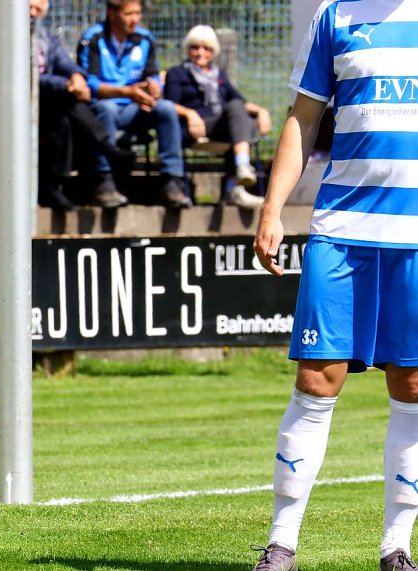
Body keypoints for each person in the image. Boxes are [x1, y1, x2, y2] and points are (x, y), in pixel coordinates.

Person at [251, 2, 418, 570]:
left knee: (415, 387)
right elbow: (302, 118)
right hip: (344, 229)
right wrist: (273, 210)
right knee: (316, 378)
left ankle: (397, 547)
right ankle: (282, 544)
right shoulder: (335, 14)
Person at [77, 0, 192, 210]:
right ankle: (105, 181)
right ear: (112, 14)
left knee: (165, 109)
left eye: (137, 13)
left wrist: (154, 87)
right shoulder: (92, 38)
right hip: (102, 107)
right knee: (108, 109)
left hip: (134, 107)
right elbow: (88, 83)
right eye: (129, 14)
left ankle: (172, 182)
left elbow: (152, 74)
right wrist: (127, 92)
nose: (135, 19)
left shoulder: (145, 38)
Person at [31, 0, 131, 210]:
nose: (33, 11)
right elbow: (28, 77)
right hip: (25, 104)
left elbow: (64, 63)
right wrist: (68, 85)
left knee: (65, 119)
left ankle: (51, 188)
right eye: (28, 6)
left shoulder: (46, 36)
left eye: (38, 6)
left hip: (51, 104)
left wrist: (76, 76)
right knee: (69, 102)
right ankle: (107, 148)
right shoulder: (11, 36)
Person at [163, 24, 271, 210]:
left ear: (213, 51)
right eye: (195, 47)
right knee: (239, 120)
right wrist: (190, 114)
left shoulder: (219, 75)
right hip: (194, 128)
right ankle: (240, 172)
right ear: (187, 48)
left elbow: (239, 101)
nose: (200, 52)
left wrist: (262, 111)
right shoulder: (177, 73)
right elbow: (168, 104)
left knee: (240, 112)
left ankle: (234, 185)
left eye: (206, 48)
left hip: (221, 125)